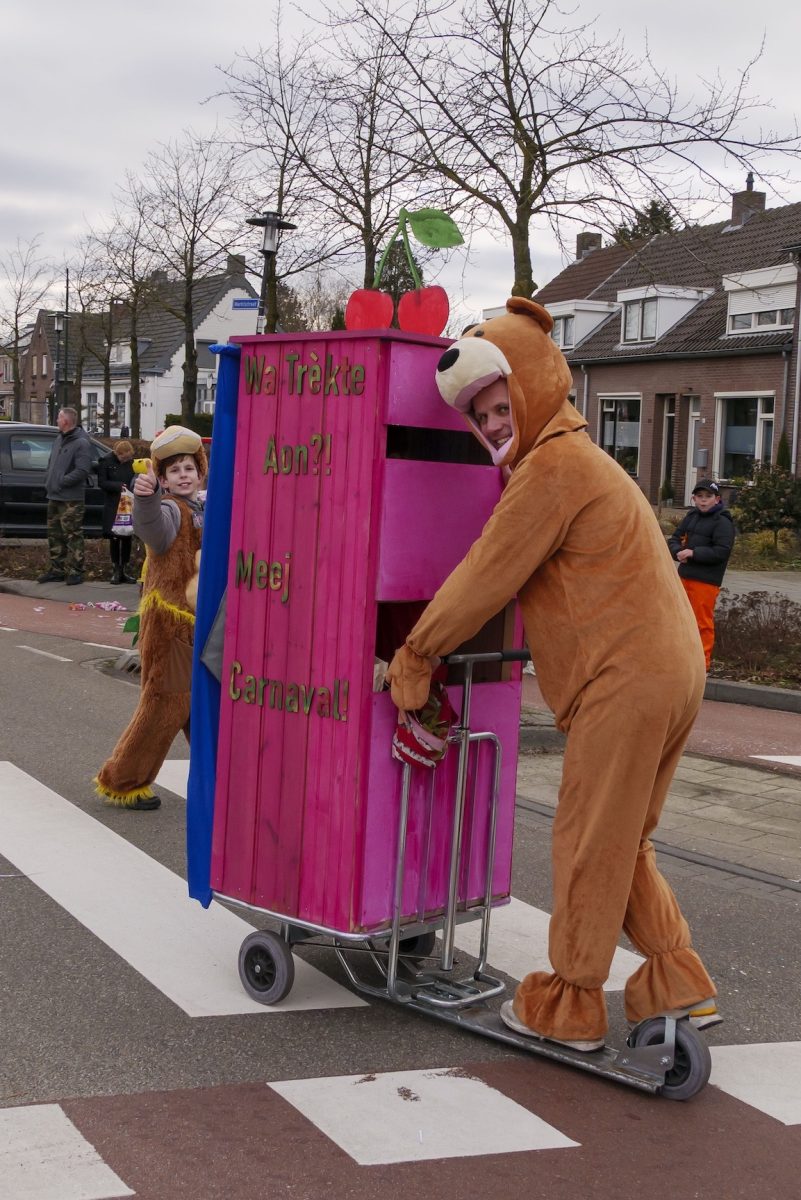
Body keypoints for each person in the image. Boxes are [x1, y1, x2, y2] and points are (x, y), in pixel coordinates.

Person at [386, 298, 720, 1052]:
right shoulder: (581, 457)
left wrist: (416, 653)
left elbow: (487, 572)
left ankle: (569, 1003)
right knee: (623, 839)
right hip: (671, 672)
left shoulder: (552, 467)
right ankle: (676, 978)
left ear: (534, 384)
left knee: (585, 840)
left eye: (501, 405)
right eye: (481, 416)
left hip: (622, 677)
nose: (493, 423)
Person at [94, 427, 206, 811]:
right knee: (164, 705)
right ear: (163, 479)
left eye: (189, 468)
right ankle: (123, 780)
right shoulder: (171, 508)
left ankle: (222, 779)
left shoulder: (203, 507)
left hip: (199, 624)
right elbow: (153, 531)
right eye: (174, 470)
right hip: (171, 625)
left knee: (202, 708)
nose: (183, 475)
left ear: (200, 473)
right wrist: (146, 498)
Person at [668, 479, 736, 670]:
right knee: (679, 621)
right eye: (700, 496)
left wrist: (694, 553)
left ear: (717, 499)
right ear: (694, 499)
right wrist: (677, 552)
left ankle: (701, 666)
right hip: (684, 577)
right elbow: (674, 539)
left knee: (701, 623)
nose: (703, 500)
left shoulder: (723, 522)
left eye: (708, 496)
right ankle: (680, 662)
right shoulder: (691, 516)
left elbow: (721, 551)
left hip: (706, 582)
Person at [37, 407, 92, 586]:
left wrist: (61, 481)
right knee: (54, 534)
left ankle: (76, 571)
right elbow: (51, 463)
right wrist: (49, 479)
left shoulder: (81, 443)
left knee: (73, 534)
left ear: (66, 421)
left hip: (71, 499)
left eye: (59, 418)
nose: (57, 421)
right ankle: (57, 570)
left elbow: (82, 470)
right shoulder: (59, 439)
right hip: (54, 495)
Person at [97, 439, 137, 584]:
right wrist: (118, 486)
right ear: (117, 453)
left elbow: (135, 478)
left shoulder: (132, 463)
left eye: (128, 458)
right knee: (114, 537)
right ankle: (116, 569)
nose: (125, 460)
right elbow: (102, 482)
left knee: (127, 537)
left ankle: (124, 569)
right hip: (113, 504)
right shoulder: (106, 461)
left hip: (128, 504)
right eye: (123, 458)